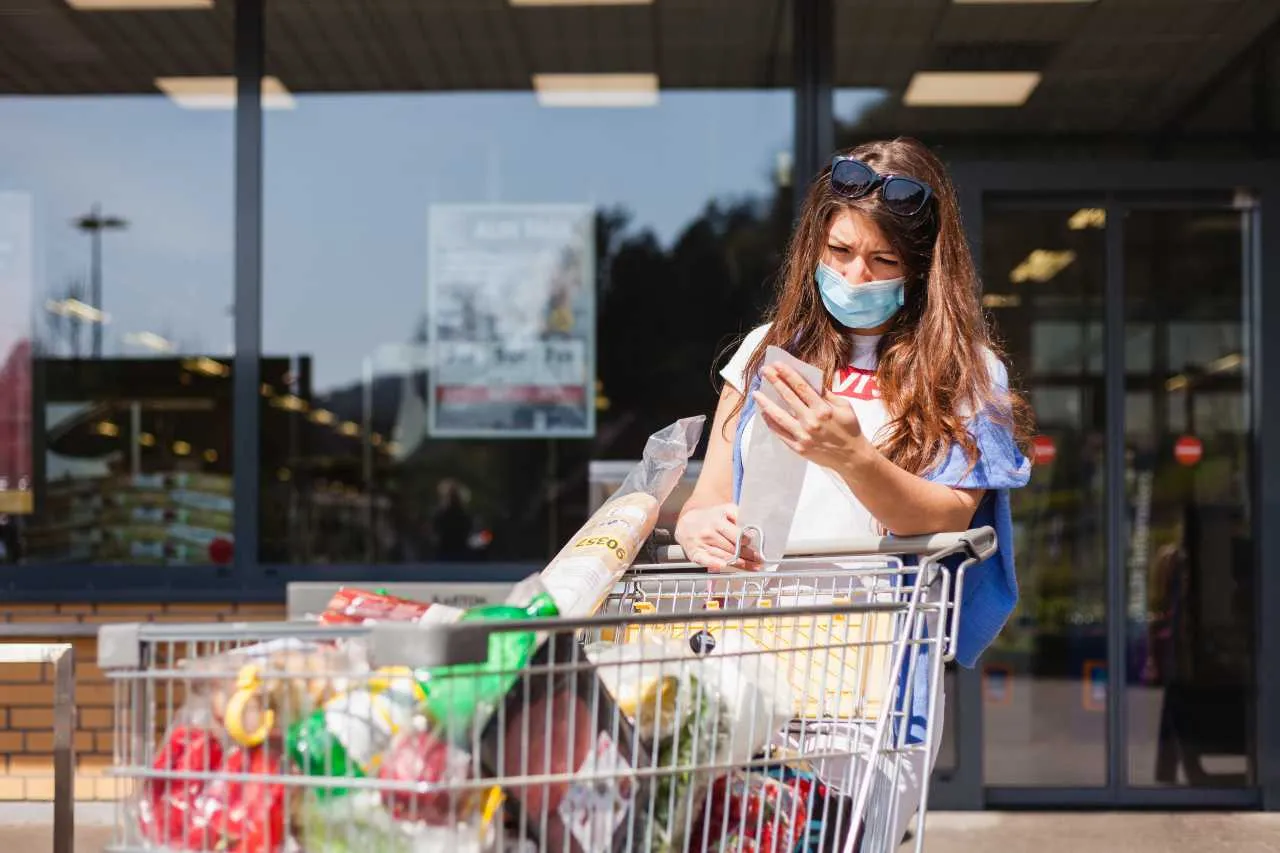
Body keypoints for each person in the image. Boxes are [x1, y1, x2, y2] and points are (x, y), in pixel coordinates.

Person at [674, 137, 1033, 849]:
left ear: (923, 267)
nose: (854, 274)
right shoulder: (767, 352)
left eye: (883, 260)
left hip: (871, 683)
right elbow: (707, 497)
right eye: (838, 250)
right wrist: (697, 526)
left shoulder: (965, 374)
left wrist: (852, 457)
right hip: (747, 667)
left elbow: (947, 518)